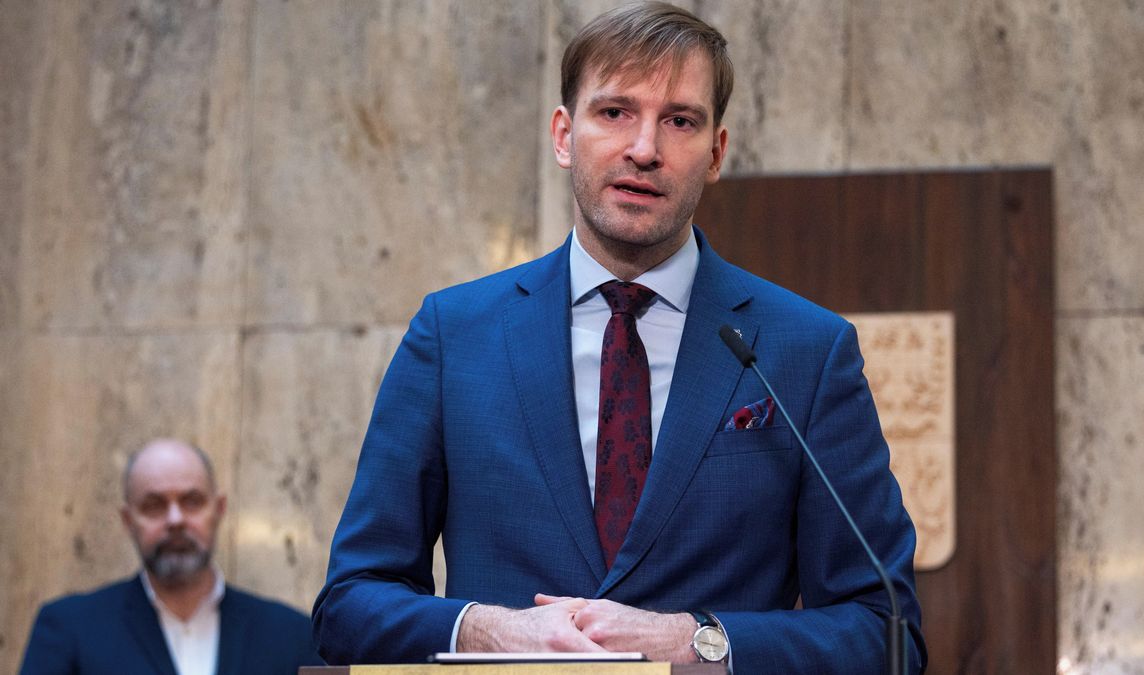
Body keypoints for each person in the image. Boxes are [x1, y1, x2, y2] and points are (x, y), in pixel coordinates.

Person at [313, 2, 926, 672]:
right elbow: (350, 602)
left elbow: (885, 630)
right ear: (563, 136)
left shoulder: (806, 349)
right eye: (614, 112)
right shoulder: (453, 336)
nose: (644, 149)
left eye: (680, 120)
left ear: (716, 152)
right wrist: (489, 631)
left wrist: (701, 642)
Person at [19, 439, 323, 675]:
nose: (175, 520)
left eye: (192, 501)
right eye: (154, 505)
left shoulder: (291, 635)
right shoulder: (68, 629)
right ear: (128, 520)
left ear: (218, 510)